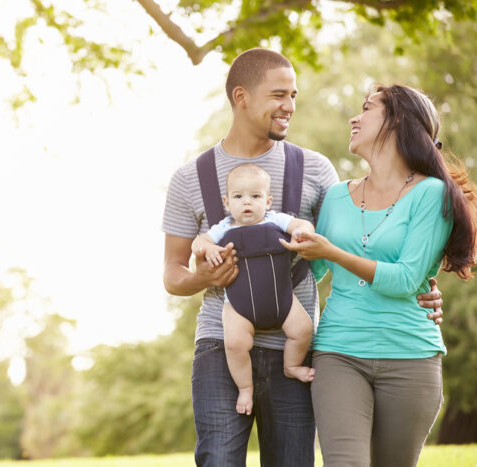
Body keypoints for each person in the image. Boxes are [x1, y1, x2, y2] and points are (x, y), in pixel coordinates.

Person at [161, 48, 445, 467]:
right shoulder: (190, 178)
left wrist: (421, 286)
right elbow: (171, 274)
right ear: (241, 97)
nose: (289, 107)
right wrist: (207, 277)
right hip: (221, 345)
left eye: (293, 95)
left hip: (297, 346)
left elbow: (348, 251)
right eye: (279, 95)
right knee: (218, 460)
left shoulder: (315, 171)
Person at [282, 84, 477, 466]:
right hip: (339, 352)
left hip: (410, 357)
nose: (355, 118)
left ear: (399, 120)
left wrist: (333, 251)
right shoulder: (337, 196)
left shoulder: (432, 194)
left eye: (367, 108)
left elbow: (405, 279)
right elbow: (313, 269)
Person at [192, 163, 315, 416]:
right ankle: (245, 388)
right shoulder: (223, 228)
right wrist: (209, 249)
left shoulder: (276, 219)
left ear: (268, 200)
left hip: (283, 301)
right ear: (227, 202)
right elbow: (198, 242)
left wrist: (302, 233)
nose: (247, 202)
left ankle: (291, 366)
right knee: (235, 344)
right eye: (238, 197)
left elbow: (302, 224)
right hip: (239, 306)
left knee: (303, 330)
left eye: (255, 196)